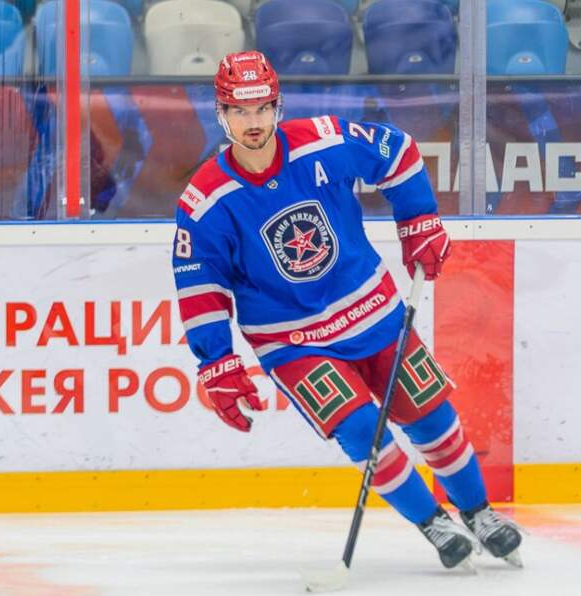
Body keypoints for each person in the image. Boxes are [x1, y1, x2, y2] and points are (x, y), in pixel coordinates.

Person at [172, 51, 522, 569]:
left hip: (372, 310)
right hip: (291, 341)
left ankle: (479, 513)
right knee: (360, 430)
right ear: (221, 114)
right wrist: (217, 362)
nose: (253, 121)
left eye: (262, 108)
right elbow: (200, 287)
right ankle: (433, 522)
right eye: (240, 111)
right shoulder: (204, 201)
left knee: (431, 417)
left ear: (277, 106)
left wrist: (419, 220)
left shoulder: (322, 140)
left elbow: (397, 151)